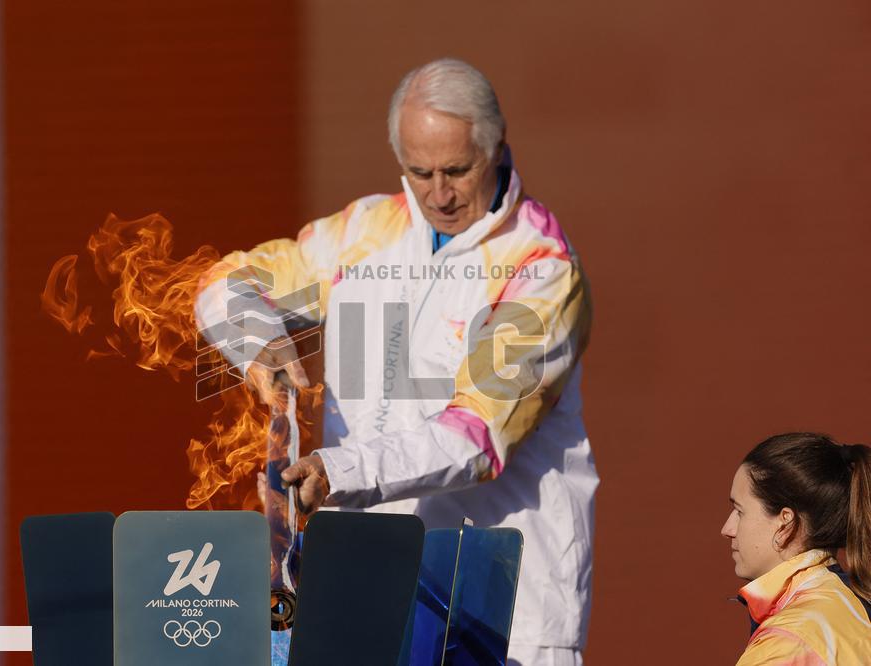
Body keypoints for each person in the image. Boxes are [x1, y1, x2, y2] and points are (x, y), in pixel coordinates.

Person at [196, 58, 596, 665]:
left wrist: (337, 472)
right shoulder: (364, 230)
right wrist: (260, 342)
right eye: (419, 172)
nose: (438, 194)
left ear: (497, 147)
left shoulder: (540, 269)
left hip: (496, 608)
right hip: (365, 588)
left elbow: (477, 438)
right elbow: (225, 283)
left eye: (458, 171)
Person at [721, 433, 871, 664]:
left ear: (785, 523)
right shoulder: (855, 603)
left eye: (740, 512)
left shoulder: (786, 644)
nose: (727, 529)